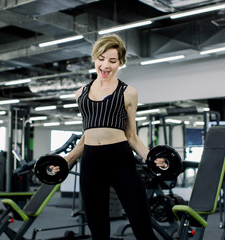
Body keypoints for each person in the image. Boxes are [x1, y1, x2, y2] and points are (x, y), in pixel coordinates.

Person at [50, 34, 167, 239]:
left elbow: (131, 136)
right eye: (101, 59)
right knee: (98, 231)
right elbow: (86, 136)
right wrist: (66, 161)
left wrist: (150, 157)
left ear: (120, 63)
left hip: (120, 161)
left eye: (112, 61)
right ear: (95, 59)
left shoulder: (128, 93)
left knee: (142, 226)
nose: (105, 66)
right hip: (91, 164)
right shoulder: (81, 94)